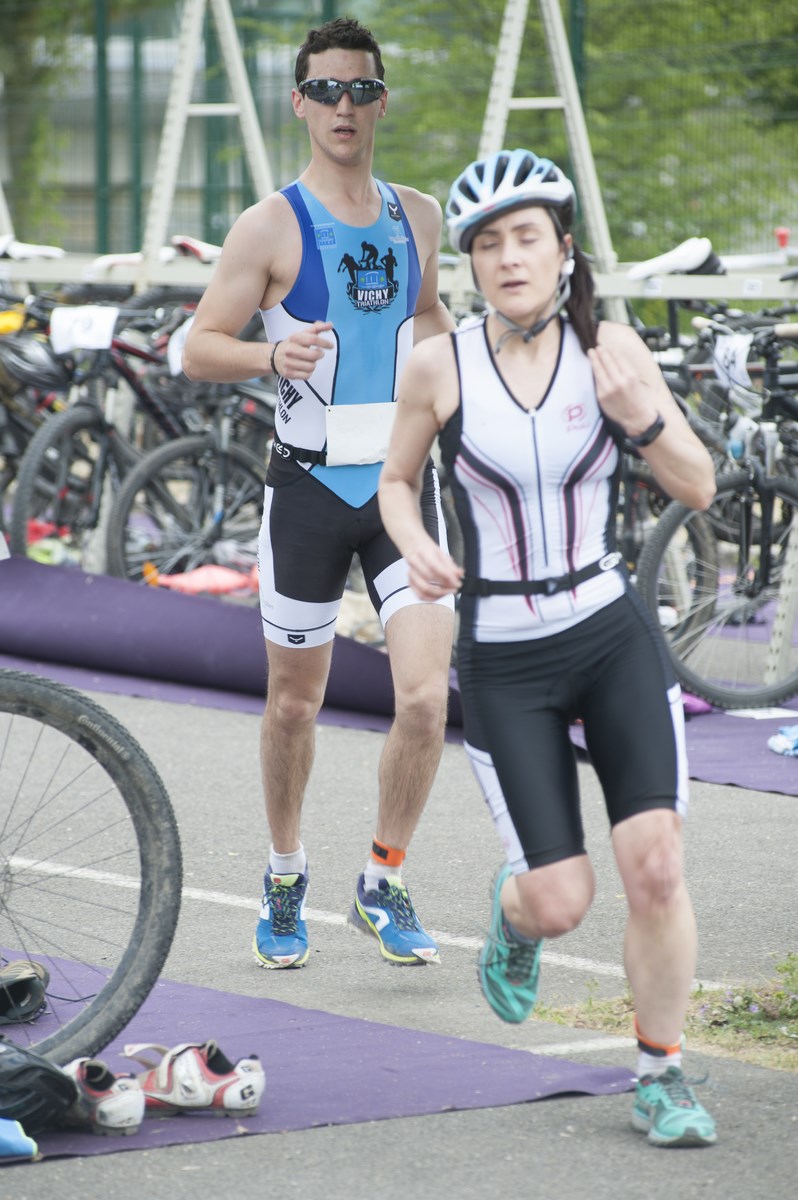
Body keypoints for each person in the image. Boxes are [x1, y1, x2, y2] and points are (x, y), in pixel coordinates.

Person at [378, 147, 719, 1147]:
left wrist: (644, 418)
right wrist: (413, 542)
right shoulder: (438, 364)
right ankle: (518, 911)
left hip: (610, 632)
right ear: (472, 263)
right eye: (489, 244)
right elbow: (395, 483)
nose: (509, 258)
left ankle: (660, 1074)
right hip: (505, 654)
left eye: (527, 237)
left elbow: (699, 485)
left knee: (656, 865)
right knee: (563, 899)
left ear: (564, 248)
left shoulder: (611, 350)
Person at [182, 18, 455, 971]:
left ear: (382, 102)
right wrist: (271, 355)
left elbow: (430, 317)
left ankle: (382, 881)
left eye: (362, 89)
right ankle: (285, 872)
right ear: (299, 103)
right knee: (295, 706)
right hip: (305, 488)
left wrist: (465, 386)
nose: (345, 105)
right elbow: (197, 346)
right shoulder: (270, 225)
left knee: (425, 698)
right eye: (327, 90)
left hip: (400, 491)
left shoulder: (420, 216)